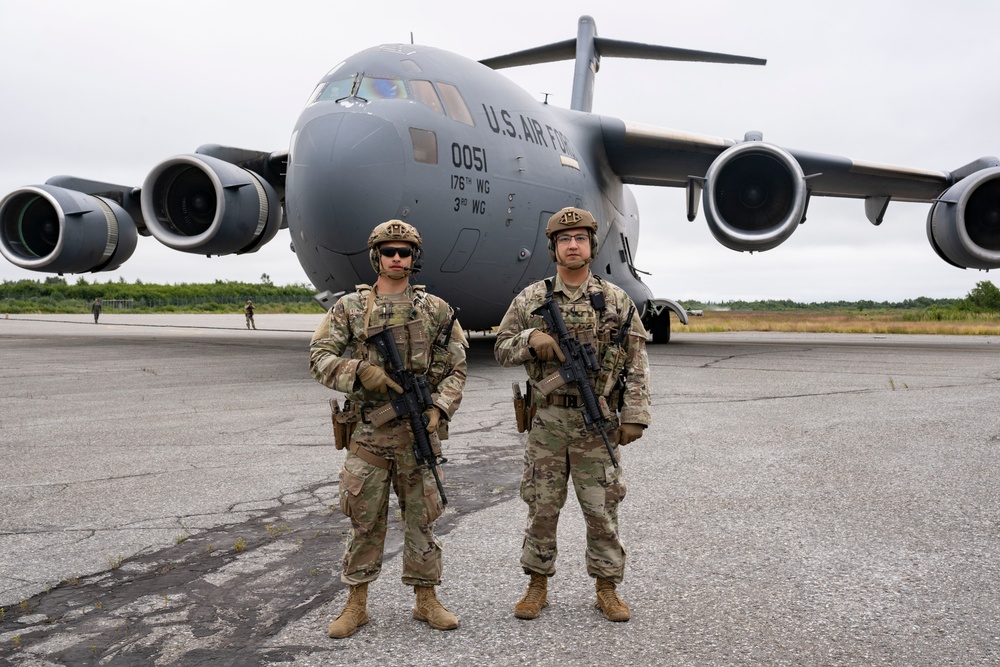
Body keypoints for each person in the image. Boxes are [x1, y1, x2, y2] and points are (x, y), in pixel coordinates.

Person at [309, 220, 468, 638]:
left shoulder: (436, 310)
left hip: (418, 436)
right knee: (364, 521)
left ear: (415, 258)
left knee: (423, 521)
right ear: (375, 256)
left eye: (405, 252)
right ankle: (356, 604)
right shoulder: (349, 309)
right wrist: (358, 370)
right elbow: (319, 356)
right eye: (388, 251)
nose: (396, 258)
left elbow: (456, 367)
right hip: (368, 437)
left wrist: (438, 408)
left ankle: (426, 599)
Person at [494, 206, 650, 623]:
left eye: (580, 238)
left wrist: (634, 414)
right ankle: (537, 584)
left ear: (591, 246)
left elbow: (637, 361)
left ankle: (606, 587)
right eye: (565, 240)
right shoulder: (532, 298)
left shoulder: (616, 300)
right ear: (554, 248)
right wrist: (532, 339)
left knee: (601, 508)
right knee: (542, 506)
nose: (573, 245)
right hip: (547, 422)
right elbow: (501, 346)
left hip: (596, 417)